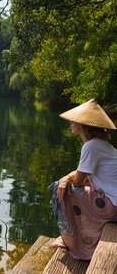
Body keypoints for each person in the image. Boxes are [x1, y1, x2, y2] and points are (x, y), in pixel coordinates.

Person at [49, 99, 117, 260]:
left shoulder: (91, 146)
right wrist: (68, 177)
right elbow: (82, 174)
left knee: (61, 189)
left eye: (75, 120)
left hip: (113, 206)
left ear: (84, 125)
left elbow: (78, 181)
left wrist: (65, 180)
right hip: (113, 203)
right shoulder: (101, 145)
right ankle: (74, 238)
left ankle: (69, 240)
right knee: (65, 184)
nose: (71, 122)